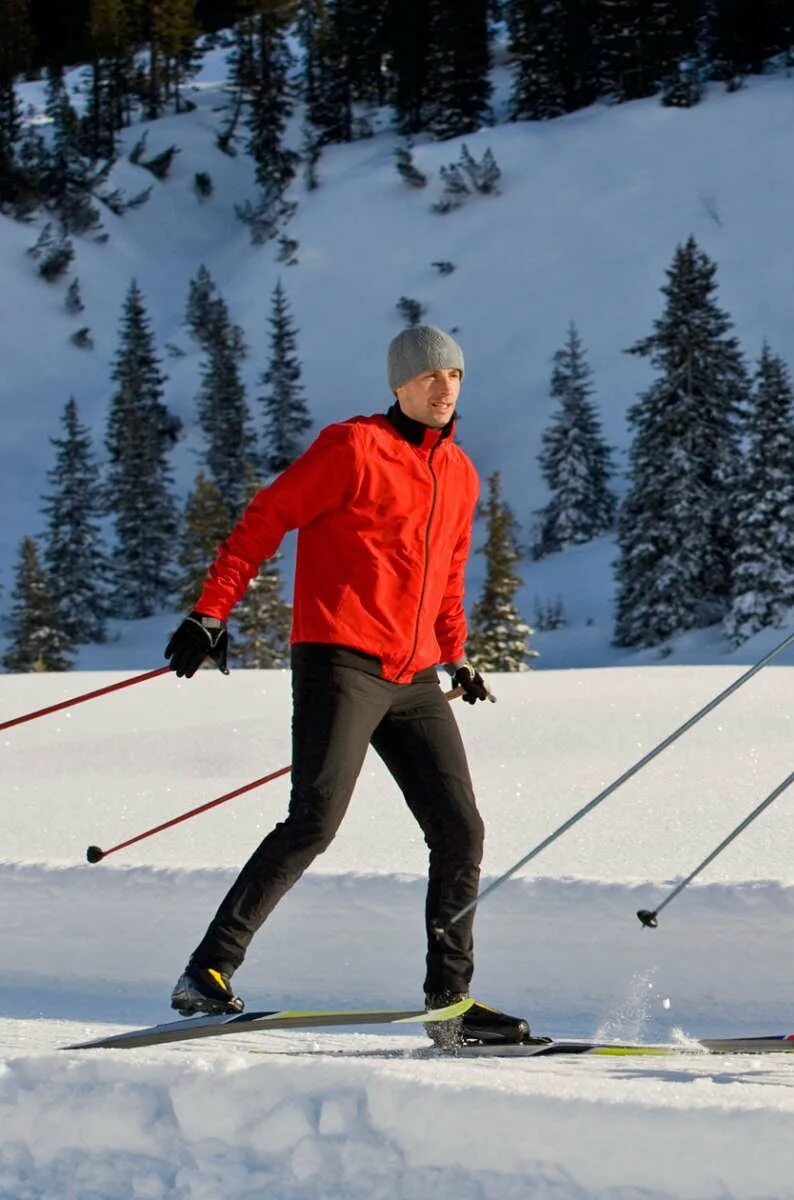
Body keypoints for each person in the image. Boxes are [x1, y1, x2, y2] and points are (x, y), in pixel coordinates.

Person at [162, 325, 529, 1047]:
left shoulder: (460, 473)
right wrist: (211, 612)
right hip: (341, 660)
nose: (442, 387)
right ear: (398, 385)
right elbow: (267, 518)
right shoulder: (353, 448)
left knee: (461, 830)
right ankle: (206, 970)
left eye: (453, 374)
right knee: (315, 821)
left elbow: (448, 576)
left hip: (414, 675)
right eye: (427, 376)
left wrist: (455, 656)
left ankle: (449, 1005)